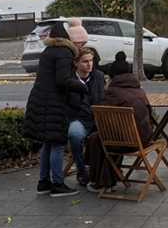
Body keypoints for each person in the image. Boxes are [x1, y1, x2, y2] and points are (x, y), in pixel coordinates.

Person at [24, 22, 88, 197]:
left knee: (47, 142)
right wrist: (80, 86)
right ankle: (58, 184)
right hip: (54, 104)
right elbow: (62, 80)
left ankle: (43, 183)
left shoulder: (47, 52)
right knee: (58, 143)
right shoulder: (64, 53)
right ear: (67, 39)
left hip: (40, 101)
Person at [84, 51, 154, 192]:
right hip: (144, 139)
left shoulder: (111, 94)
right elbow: (150, 114)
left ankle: (100, 181)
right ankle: (112, 176)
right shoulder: (139, 91)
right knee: (106, 138)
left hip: (125, 143)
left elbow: (101, 120)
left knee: (97, 139)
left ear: (112, 76)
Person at [67, 47, 105, 187]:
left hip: (97, 118)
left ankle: (105, 172)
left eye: (91, 61)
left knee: (113, 133)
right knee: (75, 135)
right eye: (85, 61)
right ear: (76, 63)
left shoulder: (99, 76)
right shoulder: (69, 79)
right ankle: (82, 171)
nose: (89, 64)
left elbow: (101, 100)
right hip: (78, 118)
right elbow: (70, 103)